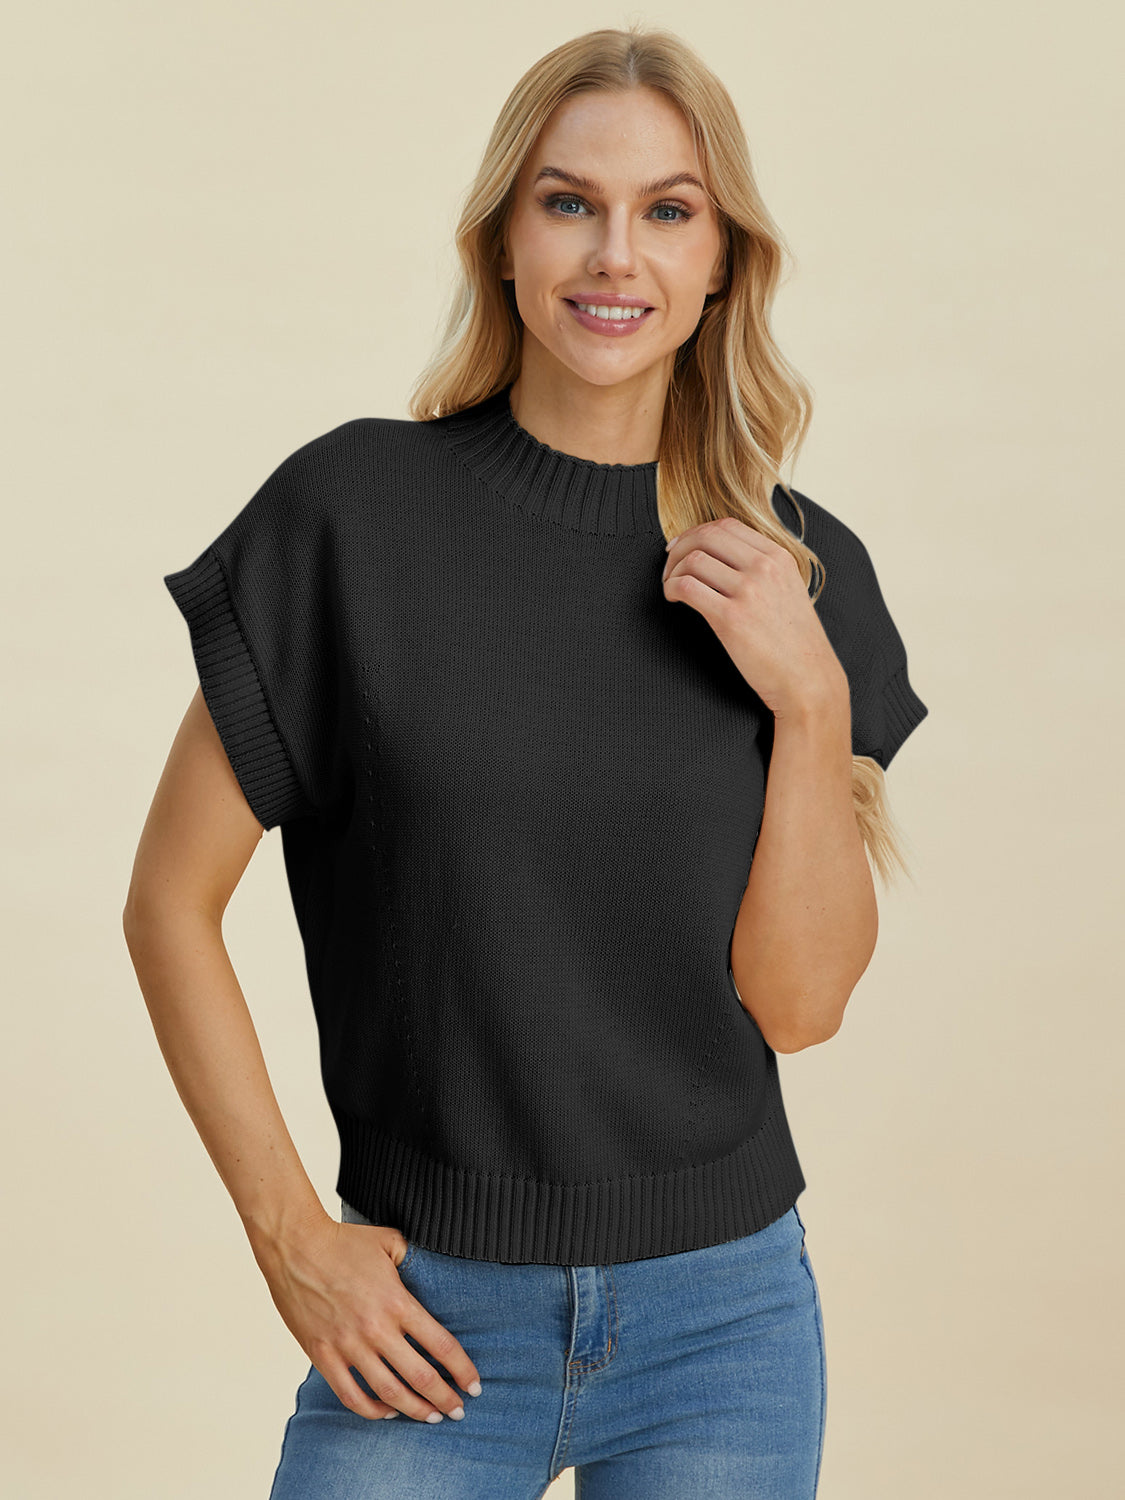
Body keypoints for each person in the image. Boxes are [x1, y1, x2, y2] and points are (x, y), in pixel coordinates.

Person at [123, 23, 928, 1500]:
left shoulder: (799, 574)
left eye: (667, 211)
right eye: (569, 203)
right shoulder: (350, 520)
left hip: (724, 1328)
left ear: (721, 262)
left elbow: (801, 1007)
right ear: (503, 239)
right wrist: (291, 1239)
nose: (615, 255)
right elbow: (168, 903)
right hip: (426, 1318)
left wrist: (813, 703)